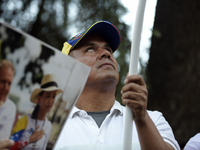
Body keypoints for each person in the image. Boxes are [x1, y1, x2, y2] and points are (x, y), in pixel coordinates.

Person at [55, 20, 180, 150]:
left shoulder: (153, 120)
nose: (106, 53)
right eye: (90, 49)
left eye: (108, 49)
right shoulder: (43, 128)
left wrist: (141, 119)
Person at [10, 74, 63, 150]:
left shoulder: (48, 126)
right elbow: (10, 145)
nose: (51, 101)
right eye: (48, 96)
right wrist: (29, 140)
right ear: (39, 98)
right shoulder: (25, 120)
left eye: (53, 96)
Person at [0, 59, 17, 141]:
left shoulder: (10, 108)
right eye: (2, 81)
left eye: (9, 83)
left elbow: (3, 138)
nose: (5, 88)